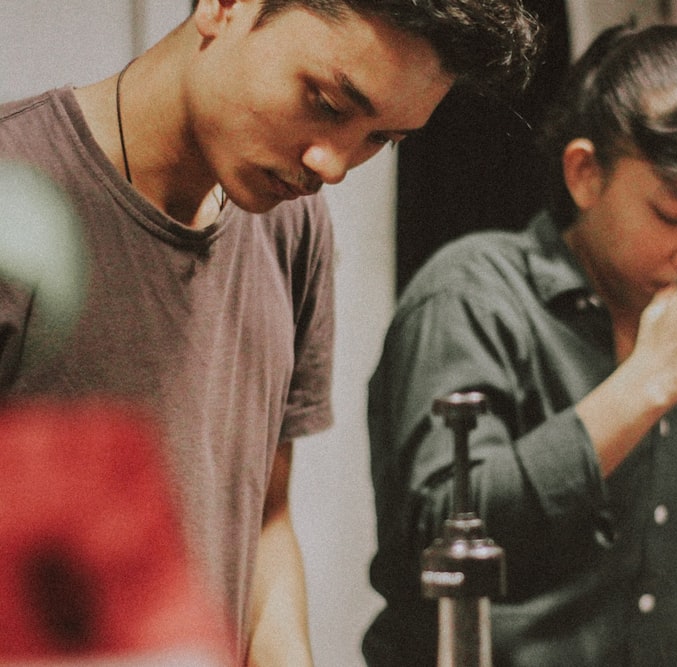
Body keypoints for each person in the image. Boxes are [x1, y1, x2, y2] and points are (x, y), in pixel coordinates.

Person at [0, 0, 539, 664]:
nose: (334, 164)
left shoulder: (292, 226)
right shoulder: (13, 195)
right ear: (227, 8)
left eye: (382, 139)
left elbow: (263, 516)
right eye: (329, 104)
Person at [364, 22, 677, 667]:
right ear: (585, 173)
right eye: (671, 215)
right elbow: (438, 538)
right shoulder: (472, 294)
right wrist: (645, 385)